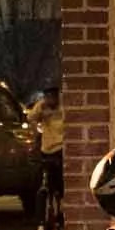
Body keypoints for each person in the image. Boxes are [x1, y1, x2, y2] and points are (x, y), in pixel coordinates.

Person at [27, 81, 65, 213]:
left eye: (52, 96)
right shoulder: (41, 106)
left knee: (61, 181)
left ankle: (60, 204)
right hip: (47, 149)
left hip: (61, 148)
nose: (50, 99)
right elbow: (31, 118)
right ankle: (43, 213)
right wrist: (36, 130)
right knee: (43, 180)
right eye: (47, 96)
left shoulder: (63, 105)